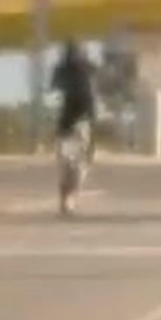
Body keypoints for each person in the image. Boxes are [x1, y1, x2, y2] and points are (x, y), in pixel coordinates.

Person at [50, 39, 98, 213]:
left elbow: (91, 101)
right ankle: (65, 198)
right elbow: (54, 88)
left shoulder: (88, 70)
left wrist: (93, 129)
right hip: (67, 123)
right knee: (66, 165)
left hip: (82, 122)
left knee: (78, 167)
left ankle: (70, 196)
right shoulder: (63, 71)